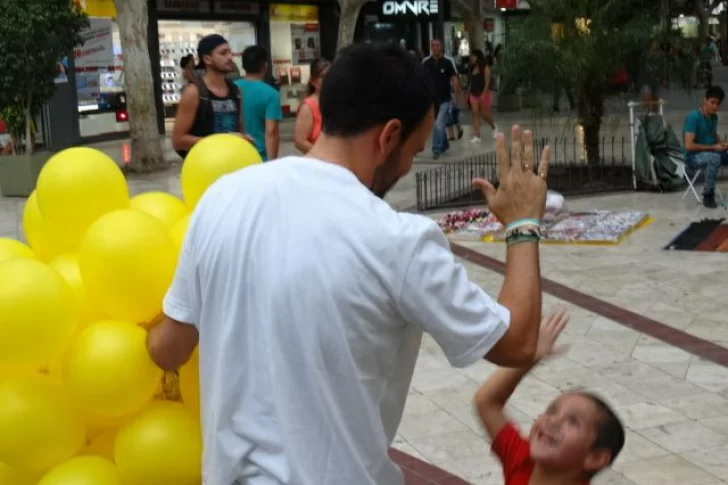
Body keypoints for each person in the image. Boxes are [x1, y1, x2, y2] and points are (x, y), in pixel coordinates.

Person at [148, 43, 551, 485]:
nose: (406, 166)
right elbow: (516, 343)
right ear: (389, 136)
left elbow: (169, 348)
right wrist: (523, 224)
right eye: (413, 152)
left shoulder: (223, 197)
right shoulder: (397, 241)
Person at [475, 310, 625, 485]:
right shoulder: (522, 460)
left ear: (595, 457)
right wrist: (530, 357)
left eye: (573, 421)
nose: (553, 422)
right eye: (551, 411)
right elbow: (487, 402)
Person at [172, 34, 245, 159]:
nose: (230, 57)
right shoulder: (193, 92)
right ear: (207, 59)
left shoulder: (235, 91)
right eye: (223, 53)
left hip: (231, 164)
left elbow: (239, 130)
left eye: (230, 52)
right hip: (204, 167)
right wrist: (219, 142)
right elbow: (178, 141)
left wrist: (243, 140)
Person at [683, 85, 728, 208]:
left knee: (718, 155)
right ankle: (708, 195)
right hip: (693, 156)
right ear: (705, 100)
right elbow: (688, 146)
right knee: (714, 158)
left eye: (717, 104)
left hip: (711, 151)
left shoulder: (714, 117)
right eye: (712, 102)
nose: (715, 106)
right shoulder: (694, 117)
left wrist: (722, 143)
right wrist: (714, 147)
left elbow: (712, 133)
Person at [235, 46, 282, 161]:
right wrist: (271, 163)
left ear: (243, 66)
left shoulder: (231, 88)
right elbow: (271, 132)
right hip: (259, 157)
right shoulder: (271, 94)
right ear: (265, 66)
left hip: (234, 154)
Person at [422, 39, 462, 159]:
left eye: (438, 45)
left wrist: (455, 95)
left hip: (444, 99)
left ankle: (436, 149)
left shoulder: (448, 62)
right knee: (435, 125)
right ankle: (444, 144)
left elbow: (454, 78)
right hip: (430, 100)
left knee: (439, 124)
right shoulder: (425, 62)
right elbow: (421, 79)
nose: (435, 48)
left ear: (441, 47)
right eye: (433, 46)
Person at [293, 57, 330, 153]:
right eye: (323, 76)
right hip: (319, 162)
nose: (328, 79)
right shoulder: (308, 106)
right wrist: (322, 156)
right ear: (313, 81)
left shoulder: (337, 101)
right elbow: (300, 141)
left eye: (330, 75)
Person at [469, 49, 497, 142]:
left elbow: (487, 82)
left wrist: (483, 94)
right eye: (471, 56)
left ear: (478, 57)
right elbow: (470, 82)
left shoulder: (485, 68)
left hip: (483, 93)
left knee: (484, 114)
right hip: (473, 94)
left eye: (473, 56)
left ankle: (493, 126)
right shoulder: (471, 68)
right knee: (475, 114)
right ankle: (477, 135)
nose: (471, 58)